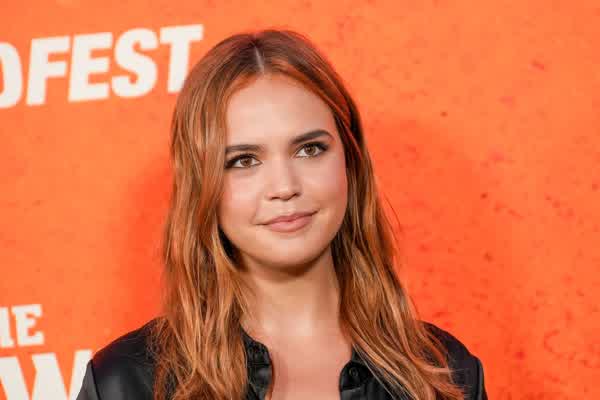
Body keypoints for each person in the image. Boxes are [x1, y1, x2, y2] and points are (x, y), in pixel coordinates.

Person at [76, 28, 488, 400]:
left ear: (350, 162)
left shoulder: (445, 374)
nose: (285, 186)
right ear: (201, 186)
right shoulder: (127, 382)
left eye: (309, 149)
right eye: (243, 160)